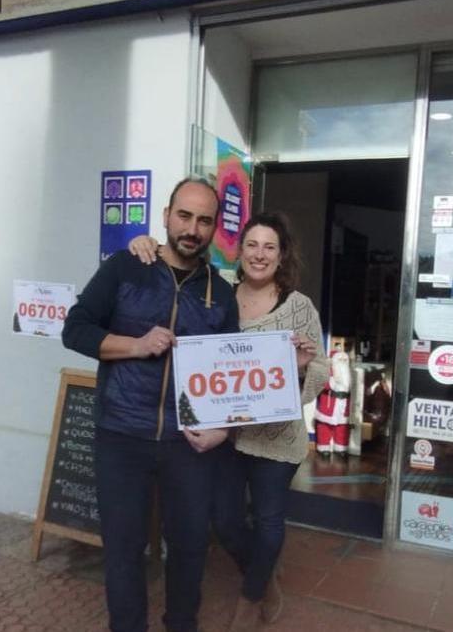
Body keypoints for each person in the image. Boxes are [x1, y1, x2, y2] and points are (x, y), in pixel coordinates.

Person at [129, 211, 329, 632]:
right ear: (240, 251)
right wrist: (142, 244)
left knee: (270, 520)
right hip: (229, 436)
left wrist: (298, 367)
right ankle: (262, 570)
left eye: (269, 247)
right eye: (252, 245)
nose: (259, 255)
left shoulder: (298, 307)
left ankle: (252, 597)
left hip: (277, 437)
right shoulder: (219, 296)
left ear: (282, 255)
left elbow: (321, 372)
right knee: (226, 521)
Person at [62, 177, 240, 632]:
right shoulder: (127, 266)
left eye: (204, 220)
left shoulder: (220, 293)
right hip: (121, 434)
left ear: (214, 228)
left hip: (188, 441)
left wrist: (225, 429)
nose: (192, 228)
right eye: (184, 216)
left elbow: (231, 376)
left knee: (189, 546)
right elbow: (75, 329)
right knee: (123, 549)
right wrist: (135, 346)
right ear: (165, 216)